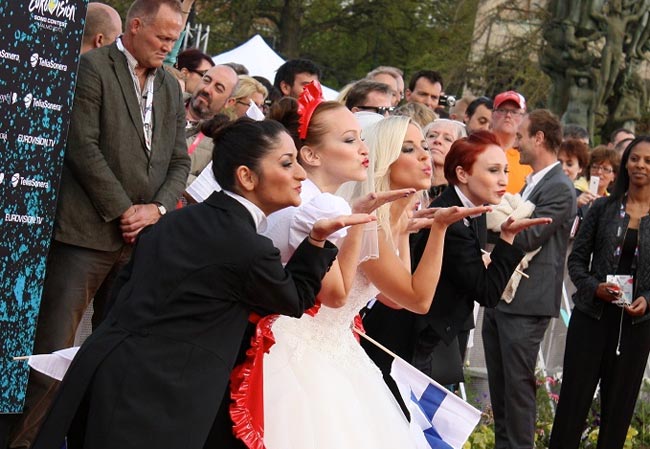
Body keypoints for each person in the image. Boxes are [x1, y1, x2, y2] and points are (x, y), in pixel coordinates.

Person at [30, 118, 372, 449]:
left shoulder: (175, 221)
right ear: (247, 176)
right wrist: (317, 241)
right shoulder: (248, 248)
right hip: (160, 398)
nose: (300, 174)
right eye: (287, 163)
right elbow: (295, 299)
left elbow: (124, 292)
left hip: (107, 370)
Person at [231, 111, 488, 449]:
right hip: (304, 353)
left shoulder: (373, 220)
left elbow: (394, 299)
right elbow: (417, 299)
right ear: (385, 162)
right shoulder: (349, 215)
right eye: (408, 149)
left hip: (337, 352)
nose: (425, 157)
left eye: (423, 147)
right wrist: (440, 228)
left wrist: (402, 230)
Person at [9, 2, 192, 447]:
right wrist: (125, 209)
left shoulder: (171, 86)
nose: (169, 48)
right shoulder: (92, 67)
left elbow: (179, 160)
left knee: (115, 356)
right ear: (135, 26)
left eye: (174, 40)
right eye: (162, 37)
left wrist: (157, 209)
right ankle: (23, 443)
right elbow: (82, 146)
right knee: (52, 353)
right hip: (84, 236)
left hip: (143, 240)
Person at [363, 131, 548, 388]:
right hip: (409, 337)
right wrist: (507, 238)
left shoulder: (476, 210)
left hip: (431, 332)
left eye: (505, 171)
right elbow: (487, 291)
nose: (503, 180)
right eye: (493, 170)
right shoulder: (450, 219)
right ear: (462, 174)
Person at [482, 109, 577, 449]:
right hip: (502, 295)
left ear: (539, 138)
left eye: (521, 136)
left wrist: (495, 220)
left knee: (517, 390)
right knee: (501, 389)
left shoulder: (560, 188)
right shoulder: (532, 183)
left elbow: (526, 236)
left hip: (527, 302)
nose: (516, 143)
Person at [549, 136, 650, 449]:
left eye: (648, 160)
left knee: (617, 414)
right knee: (571, 407)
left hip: (635, 328)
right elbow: (577, 261)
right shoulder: (602, 208)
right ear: (625, 163)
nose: (641, 165)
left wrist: (648, 300)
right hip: (591, 318)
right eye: (635, 158)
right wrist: (595, 288)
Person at [491, 90, 532, 194]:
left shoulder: (528, 158)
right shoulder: (479, 148)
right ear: (492, 114)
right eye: (502, 110)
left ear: (524, 118)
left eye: (514, 112)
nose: (508, 115)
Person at [423, 118, 467, 199]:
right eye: (432, 135)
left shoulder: (463, 197)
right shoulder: (406, 186)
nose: (437, 140)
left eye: (447, 139)